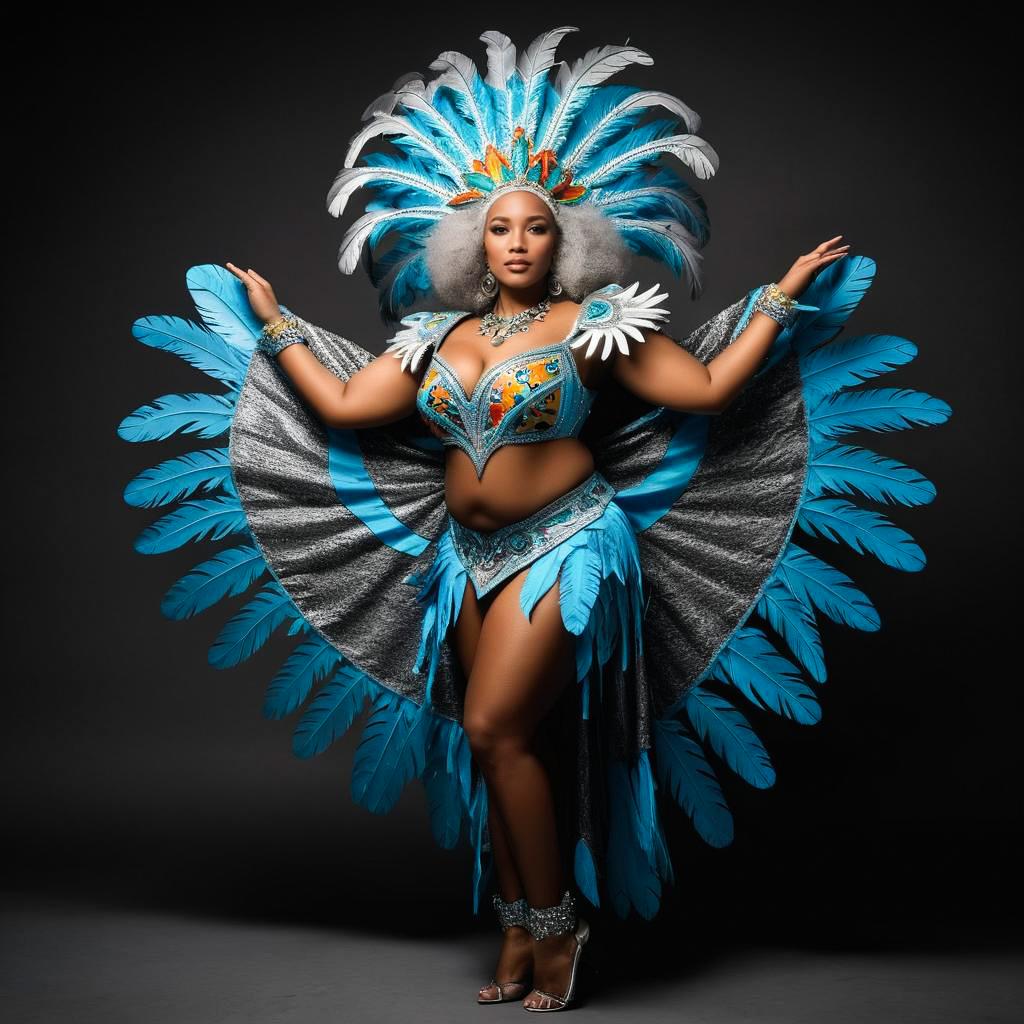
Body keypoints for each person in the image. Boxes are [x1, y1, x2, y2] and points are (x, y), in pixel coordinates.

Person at [120, 26, 943, 1013]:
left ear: (568, 240)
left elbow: (714, 389)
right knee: (492, 746)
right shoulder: (434, 334)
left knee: (495, 724)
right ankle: (518, 921)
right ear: (474, 241)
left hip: (569, 545)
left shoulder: (601, 326)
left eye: (537, 227)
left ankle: (557, 928)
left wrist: (778, 298)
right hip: (464, 557)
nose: (517, 241)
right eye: (501, 227)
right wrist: (274, 322)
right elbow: (344, 411)